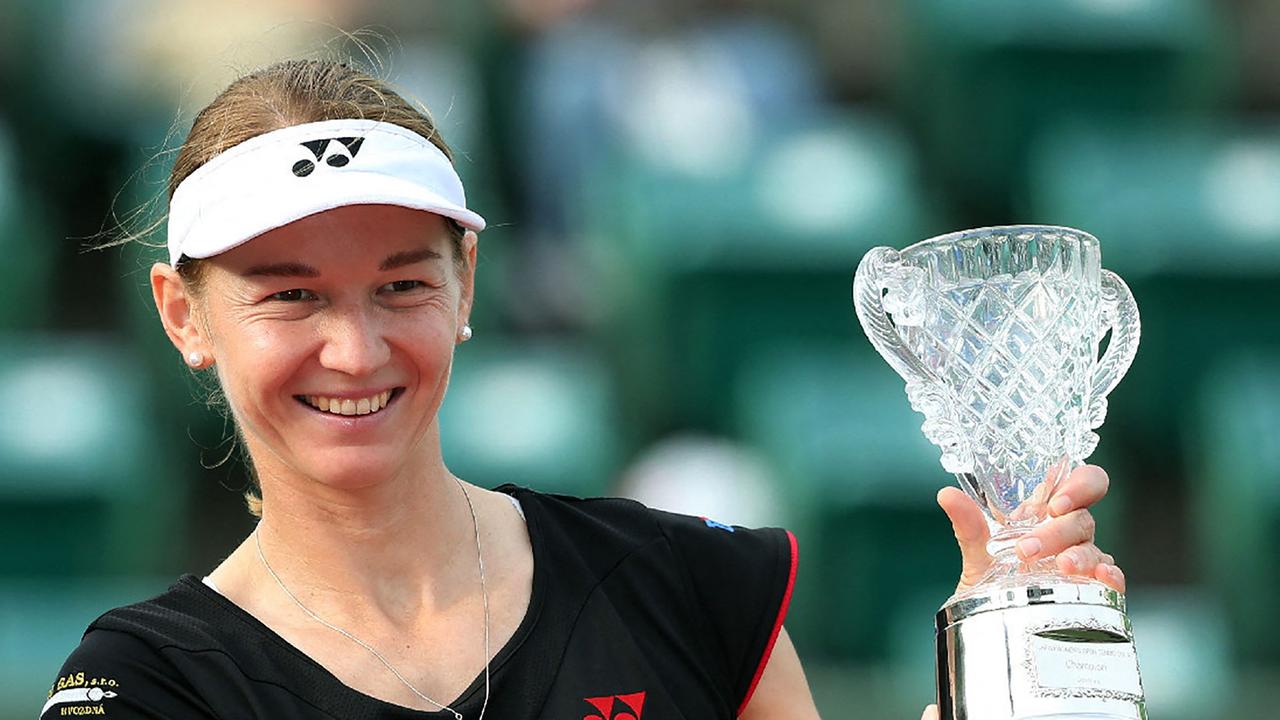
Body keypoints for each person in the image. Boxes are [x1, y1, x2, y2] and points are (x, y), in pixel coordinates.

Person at [40, 59, 1124, 720]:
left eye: (400, 284)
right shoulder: (146, 687)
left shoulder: (687, 584)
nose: (355, 348)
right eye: (289, 296)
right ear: (184, 316)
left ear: (466, 286)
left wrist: (998, 669)